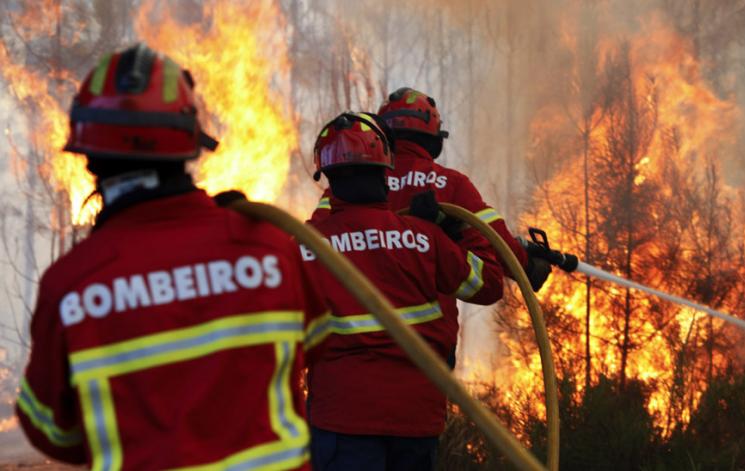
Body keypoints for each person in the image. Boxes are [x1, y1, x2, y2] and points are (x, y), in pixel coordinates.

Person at [16, 44, 326, 470]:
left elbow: (51, 431)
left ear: (88, 157)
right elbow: (315, 346)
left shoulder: (71, 285)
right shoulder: (270, 248)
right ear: (191, 146)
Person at [303, 112, 504, 470]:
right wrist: (453, 229)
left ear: (329, 181)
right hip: (415, 420)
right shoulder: (424, 238)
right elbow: (487, 285)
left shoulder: (305, 248)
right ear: (386, 171)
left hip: (342, 420)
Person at [310, 88, 551, 362]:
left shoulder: (341, 190)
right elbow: (494, 238)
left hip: (347, 342)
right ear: (433, 137)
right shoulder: (448, 183)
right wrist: (526, 267)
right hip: (426, 347)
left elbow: (313, 241)